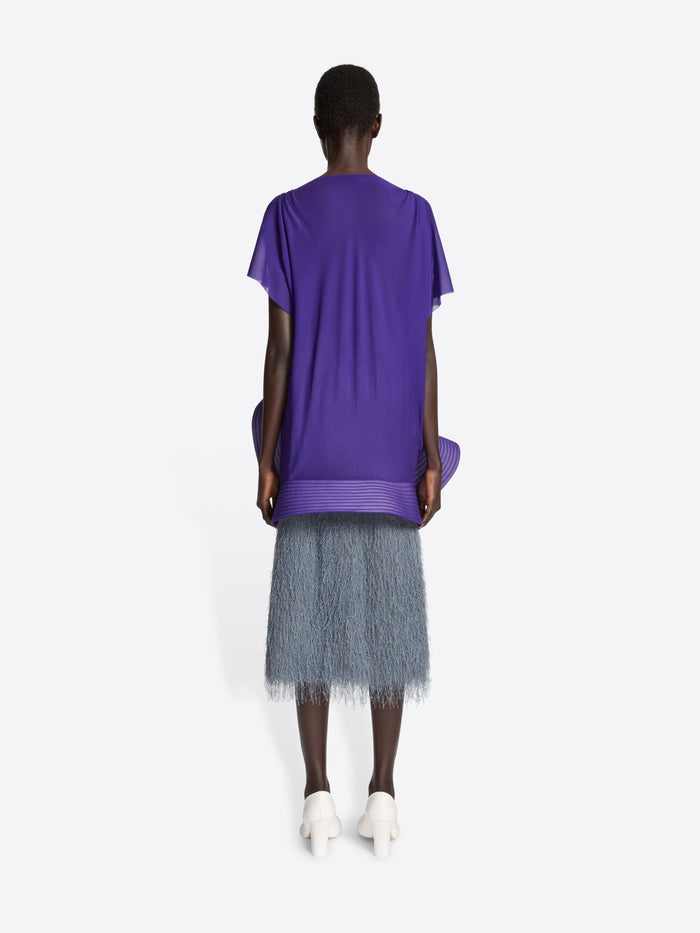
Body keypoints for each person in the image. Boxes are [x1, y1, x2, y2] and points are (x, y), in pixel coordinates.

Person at [247, 64, 455, 857]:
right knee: (389, 628)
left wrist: (268, 460)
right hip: (389, 458)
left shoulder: (286, 214)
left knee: (307, 626)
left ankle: (316, 797)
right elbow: (424, 349)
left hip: (310, 455)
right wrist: (429, 456)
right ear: (376, 126)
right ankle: (385, 795)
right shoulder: (415, 216)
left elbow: (280, 351)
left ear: (317, 127)